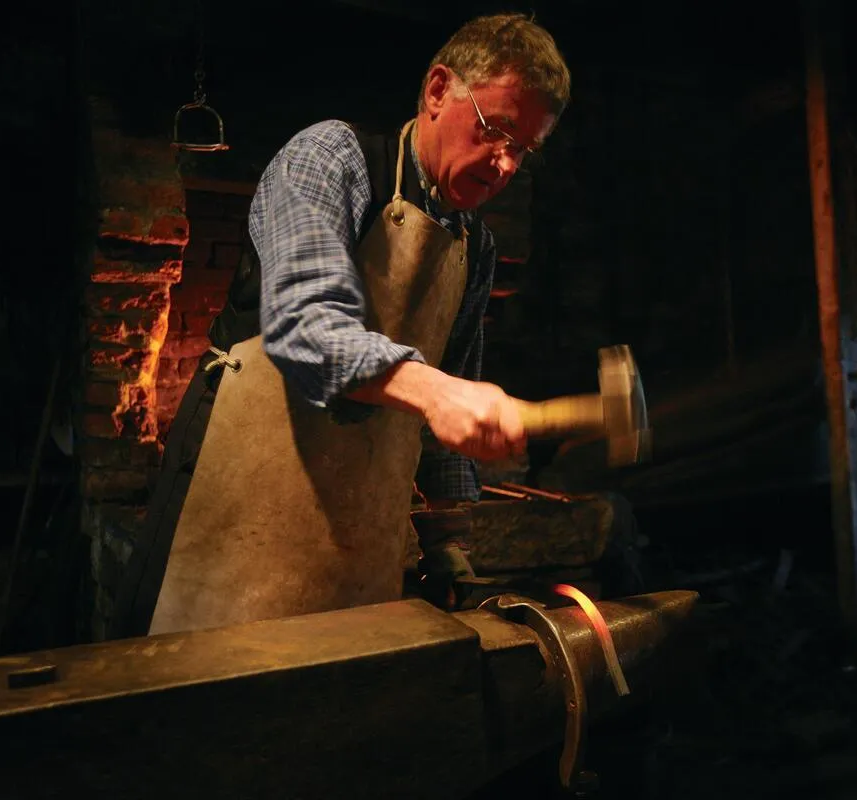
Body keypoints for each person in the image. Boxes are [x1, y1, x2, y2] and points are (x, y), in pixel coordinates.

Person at [118, 12, 572, 637]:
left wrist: (446, 547)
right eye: (497, 130)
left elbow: (440, 431)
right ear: (439, 90)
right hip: (231, 509)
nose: (504, 164)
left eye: (523, 149)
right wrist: (439, 392)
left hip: (355, 542)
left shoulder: (477, 249)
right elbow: (305, 326)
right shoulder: (330, 157)